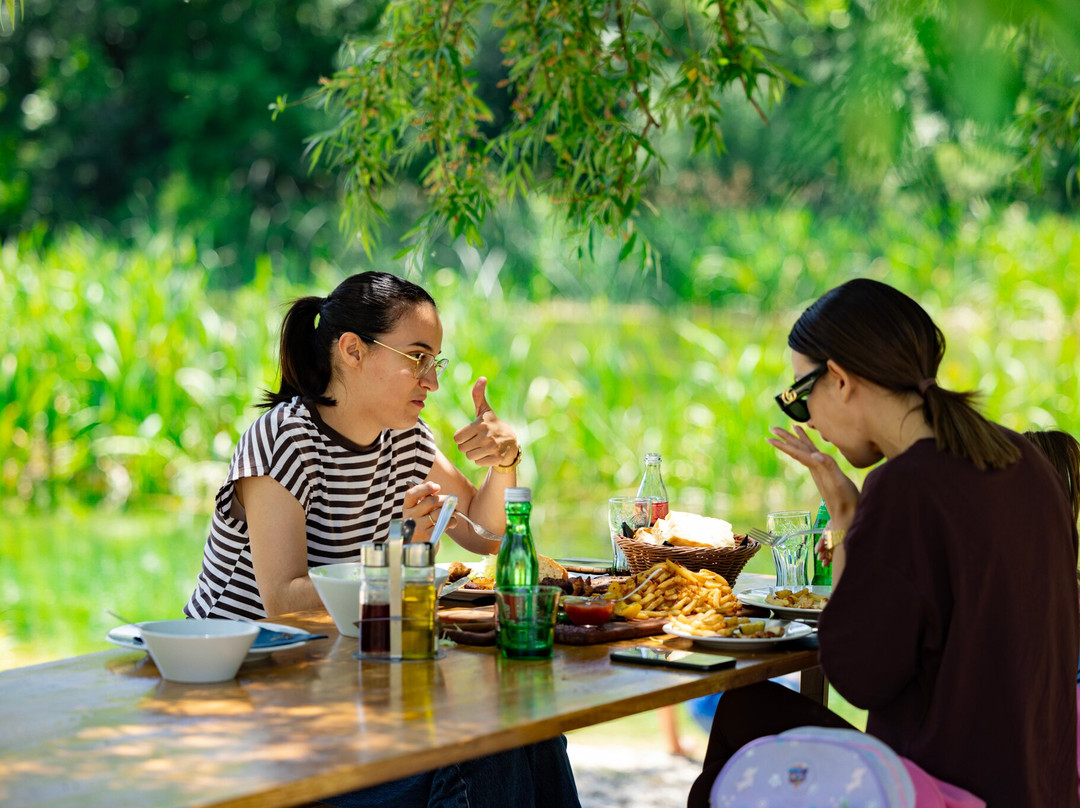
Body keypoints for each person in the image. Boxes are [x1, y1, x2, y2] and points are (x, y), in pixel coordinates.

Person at [183, 270, 580, 808]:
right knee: (483, 747)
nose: (432, 381)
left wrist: (504, 461)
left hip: (342, 689)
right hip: (248, 705)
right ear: (352, 350)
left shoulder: (404, 440)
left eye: (435, 362)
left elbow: (487, 535)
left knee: (529, 728)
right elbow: (282, 600)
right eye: (417, 358)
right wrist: (400, 563)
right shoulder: (284, 439)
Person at [689, 279, 1079, 808]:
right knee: (751, 711)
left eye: (798, 398)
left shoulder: (906, 486)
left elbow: (858, 676)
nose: (808, 422)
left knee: (743, 712)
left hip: (946, 791)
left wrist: (849, 519)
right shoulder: (1025, 462)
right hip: (1035, 786)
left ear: (841, 380)